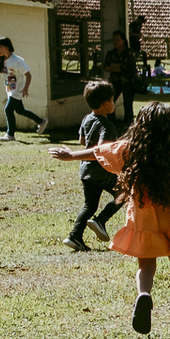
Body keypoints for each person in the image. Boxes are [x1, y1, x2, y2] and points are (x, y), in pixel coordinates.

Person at [48, 102, 170, 335]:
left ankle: (144, 294)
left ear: (140, 125)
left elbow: (98, 151)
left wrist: (71, 155)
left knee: (146, 263)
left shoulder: (130, 148)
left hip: (143, 214)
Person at [61, 80, 123, 251]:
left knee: (90, 205)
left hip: (86, 171)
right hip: (103, 171)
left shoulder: (86, 119)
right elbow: (101, 150)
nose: (113, 103)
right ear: (106, 104)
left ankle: (74, 236)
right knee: (125, 192)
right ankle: (100, 220)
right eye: (112, 100)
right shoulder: (107, 126)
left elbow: (82, 140)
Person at [0, 37, 47, 141]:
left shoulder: (17, 60)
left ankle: (10, 135)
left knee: (8, 109)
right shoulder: (3, 59)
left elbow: (28, 75)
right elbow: (3, 70)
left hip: (17, 90)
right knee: (20, 110)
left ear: (6, 47)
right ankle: (41, 121)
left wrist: (26, 88)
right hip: (10, 88)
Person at [103, 30, 139, 124]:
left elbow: (128, 67)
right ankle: (112, 124)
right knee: (110, 102)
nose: (115, 42)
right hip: (115, 82)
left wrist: (114, 66)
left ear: (123, 41)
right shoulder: (111, 53)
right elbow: (106, 67)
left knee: (128, 105)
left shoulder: (130, 52)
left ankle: (128, 125)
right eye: (114, 40)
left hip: (128, 82)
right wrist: (120, 66)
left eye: (117, 40)